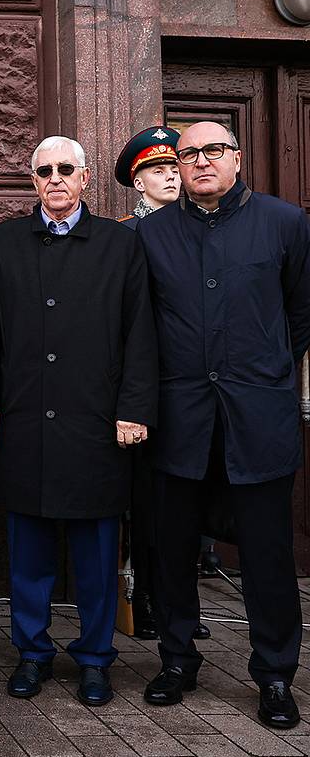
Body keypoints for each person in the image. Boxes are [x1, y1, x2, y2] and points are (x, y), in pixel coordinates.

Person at [0, 135, 157, 707]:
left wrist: (133, 410)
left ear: (85, 178)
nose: (55, 178)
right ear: (33, 180)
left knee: (97, 559)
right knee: (28, 557)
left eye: (66, 169)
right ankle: (32, 653)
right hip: (23, 424)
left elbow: (141, 334)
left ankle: (96, 658)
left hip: (98, 426)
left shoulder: (121, 246)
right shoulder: (1, 245)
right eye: (44, 170)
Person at [137, 122, 310, 730]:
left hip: (257, 418)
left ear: (237, 159)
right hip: (179, 419)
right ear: (176, 165)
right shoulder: (152, 234)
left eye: (215, 151)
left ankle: (274, 675)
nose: (202, 162)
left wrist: (264, 369)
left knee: (266, 553)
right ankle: (178, 658)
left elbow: (301, 312)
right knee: (173, 547)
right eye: (190, 154)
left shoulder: (285, 223)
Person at [114, 127, 211, 645]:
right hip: (146, 382)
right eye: (158, 170)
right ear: (137, 180)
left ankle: (182, 601)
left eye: (175, 168)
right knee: (147, 503)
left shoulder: (200, 226)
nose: (171, 176)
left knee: (189, 500)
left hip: (193, 384)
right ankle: (144, 598)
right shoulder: (127, 233)